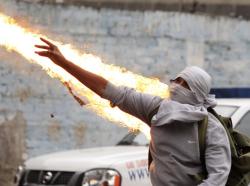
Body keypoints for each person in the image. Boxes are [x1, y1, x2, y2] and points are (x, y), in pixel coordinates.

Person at [35, 38, 231, 186]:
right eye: (177, 80)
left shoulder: (212, 130)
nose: (176, 86)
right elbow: (108, 90)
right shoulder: (155, 108)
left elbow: (218, 178)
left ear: (197, 94)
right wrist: (63, 62)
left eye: (185, 84)